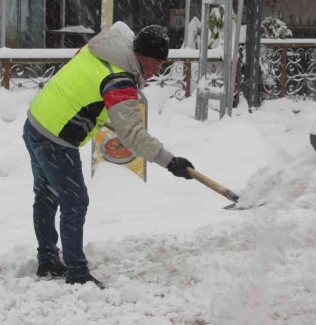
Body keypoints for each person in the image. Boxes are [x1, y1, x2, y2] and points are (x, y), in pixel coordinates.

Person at [22, 22, 195, 289]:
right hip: (56, 138)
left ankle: (47, 260)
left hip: (36, 121)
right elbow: (132, 135)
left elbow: (86, 91)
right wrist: (171, 162)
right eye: (157, 63)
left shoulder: (102, 50)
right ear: (141, 55)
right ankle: (77, 273)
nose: (158, 71)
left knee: (46, 196)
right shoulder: (118, 80)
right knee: (75, 202)